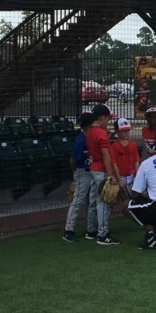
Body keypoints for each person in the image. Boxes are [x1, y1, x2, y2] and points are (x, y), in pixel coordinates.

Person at [86, 104, 121, 246]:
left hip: (93, 168)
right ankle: (102, 234)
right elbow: (106, 156)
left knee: (93, 200)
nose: (109, 121)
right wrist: (110, 175)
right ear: (101, 118)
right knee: (103, 202)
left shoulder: (90, 132)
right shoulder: (101, 134)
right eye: (107, 118)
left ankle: (91, 231)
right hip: (101, 169)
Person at [63, 113, 98, 243]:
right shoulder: (81, 139)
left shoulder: (92, 137)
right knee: (78, 200)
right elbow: (73, 160)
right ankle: (68, 230)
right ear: (89, 125)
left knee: (91, 201)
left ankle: (91, 228)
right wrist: (76, 175)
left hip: (92, 172)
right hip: (82, 172)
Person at [110, 118, 140, 194]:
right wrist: (119, 180)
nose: (127, 132)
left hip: (131, 176)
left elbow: (136, 161)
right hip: (120, 177)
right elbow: (114, 164)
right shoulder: (114, 146)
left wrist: (137, 176)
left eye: (128, 130)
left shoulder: (133, 144)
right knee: (120, 197)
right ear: (117, 131)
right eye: (124, 130)